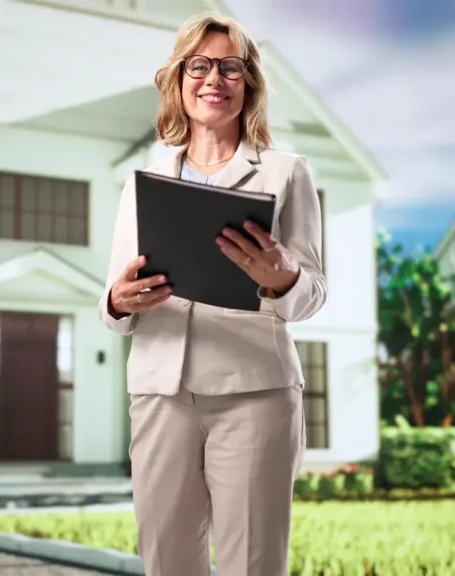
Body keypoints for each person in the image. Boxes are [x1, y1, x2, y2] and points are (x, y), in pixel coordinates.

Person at [98, 11, 325, 576]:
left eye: (229, 68)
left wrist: (283, 277)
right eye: (198, 66)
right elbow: (113, 295)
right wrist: (118, 301)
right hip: (160, 392)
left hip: (256, 391)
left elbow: (315, 291)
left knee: (253, 561)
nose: (213, 79)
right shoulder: (142, 182)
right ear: (178, 81)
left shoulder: (287, 173)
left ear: (247, 84)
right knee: (167, 561)